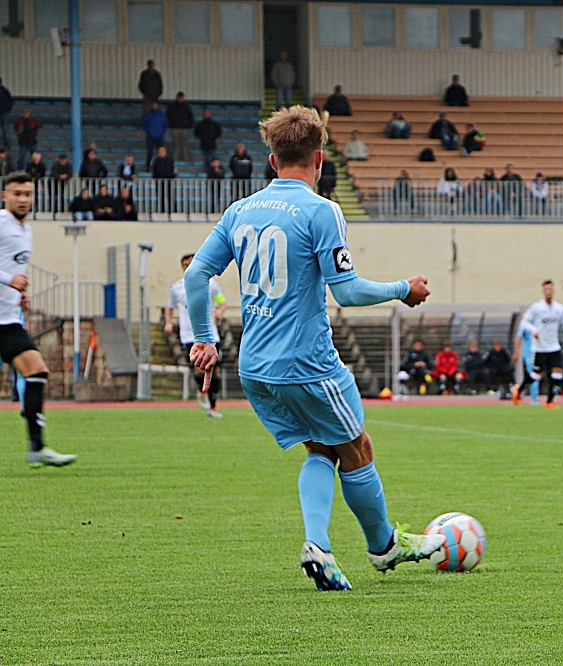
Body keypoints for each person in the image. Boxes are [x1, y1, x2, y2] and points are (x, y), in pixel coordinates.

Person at [183, 105, 444, 592]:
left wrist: (204, 339)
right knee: (358, 446)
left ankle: (319, 547)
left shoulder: (240, 211)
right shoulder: (322, 210)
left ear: (271, 159)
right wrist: (401, 287)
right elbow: (345, 291)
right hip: (306, 361)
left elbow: (196, 274)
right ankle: (384, 547)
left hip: (256, 367)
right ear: (321, 158)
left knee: (321, 448)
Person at [0, 172, 77, 466]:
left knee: (36, 371)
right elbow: (8, 272)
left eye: (28, 194)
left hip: (7, 319)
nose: (23, 199)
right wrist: (9, 280)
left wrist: (18, 295)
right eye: (17, 193)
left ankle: (36, 447)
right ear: (4, 196)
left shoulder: (26, 230)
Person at [166, 253, 227, 417]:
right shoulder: (177, 287)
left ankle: (212, 407)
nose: (188, 267)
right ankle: (202, 391)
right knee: (201, 369)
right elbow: (170, 307)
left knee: (215, 371)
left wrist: (220, 311)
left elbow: (222, 301)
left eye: (191, 263)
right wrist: (169, 322)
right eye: (185, 264)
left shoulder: (211, 284)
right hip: (189, 336)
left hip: (211, 335)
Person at [517, 280, 563, 408]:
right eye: (546, 289)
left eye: (550, 289)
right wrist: (534, 330)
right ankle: (519, 390)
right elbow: (524, 322)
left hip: (554, 347)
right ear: (543, 291)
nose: (548, 292)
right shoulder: (536, 308)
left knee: (557, 372)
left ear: (553, 291)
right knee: (536, 375)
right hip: (540, 348)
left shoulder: (559, 308)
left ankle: (549, 401)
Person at [511, 321, 541, 406]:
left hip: (539, 352)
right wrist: (516, 352)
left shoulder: (539, 322)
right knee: (534, 374)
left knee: (535, 375)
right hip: (529, 354)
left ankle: (518, 390)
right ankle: (534, 400)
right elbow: (518, 338)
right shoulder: (525, 324)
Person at [166, 92, 194, 162]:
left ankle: (185, 158)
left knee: (184, 144)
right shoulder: (171, 106)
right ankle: (175, 158)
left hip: (184, 128)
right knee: (176, 144)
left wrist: (189, 126)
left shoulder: (187, 107)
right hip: (174, 128)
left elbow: (190, 117)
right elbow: (168, 116)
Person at [141, 101, 169, 170]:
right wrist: (149, 131)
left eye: (155, 104)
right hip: (150, 136)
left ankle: (161, 167)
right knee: (150, 153)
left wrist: (161, 132)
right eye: (153, 104)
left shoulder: (161, 115)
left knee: (161, 153)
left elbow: (165, 125)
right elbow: (144, 124)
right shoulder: (148, 114)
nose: (154, 106)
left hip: (159, 136)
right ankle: (149, 167)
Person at [149, 145, 176, 213]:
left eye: (163, 151)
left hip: (169, 180)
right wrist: (155, 177)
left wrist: (174, 176)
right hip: (159, 181)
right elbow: (152, 169)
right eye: (160, 151)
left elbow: (174, 169)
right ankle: (162, 210)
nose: (162, 152)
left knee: (169, 195)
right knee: (161, 196)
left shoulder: (170, 159)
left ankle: (171, 210)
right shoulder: (155, 159)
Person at [0, 78, 12, 148]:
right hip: (4, 112)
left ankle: (6, 143)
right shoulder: (5, 91)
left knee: (5, 128)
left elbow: (10, 101)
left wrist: (7, 110)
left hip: (3, 112)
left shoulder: (4, 91)